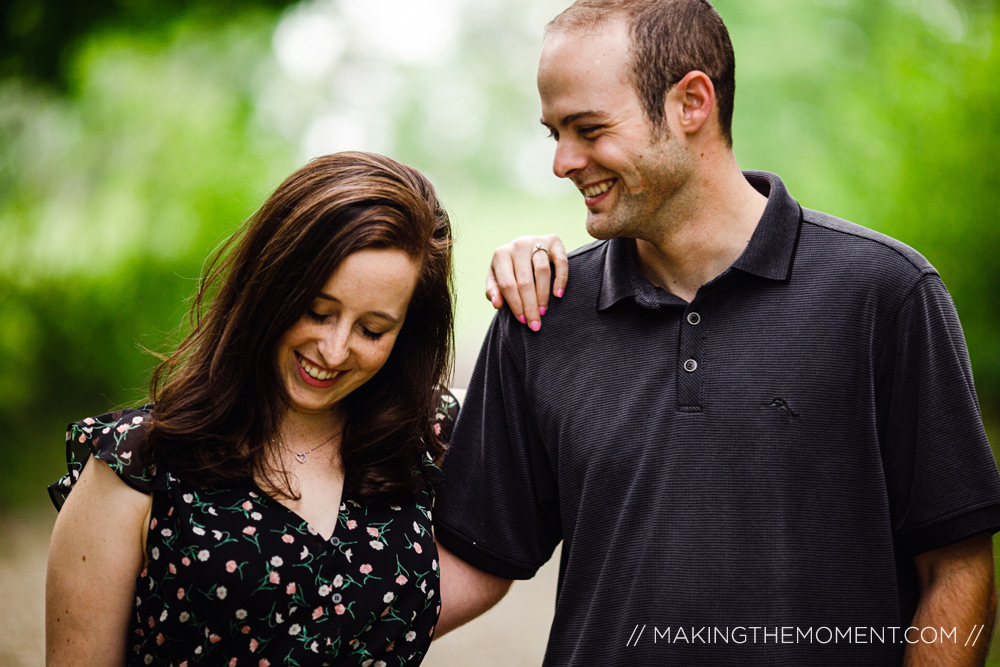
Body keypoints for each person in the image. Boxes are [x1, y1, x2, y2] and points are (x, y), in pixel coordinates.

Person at [433, 1, 1000, 665]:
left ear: (692, 102)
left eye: (587, 128)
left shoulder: (885, 294)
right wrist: (306, 627)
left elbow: (958, 568)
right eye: (553, 132)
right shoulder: (542, 313)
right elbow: (475, 556)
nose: (562, 161)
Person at [45, 151, 560, 667]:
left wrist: (545, 272)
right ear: (269, 285)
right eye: (318, 311)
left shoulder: (428, 438)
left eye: (372, 329)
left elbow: (562, 414)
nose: (334, 351)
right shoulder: (138, 463)